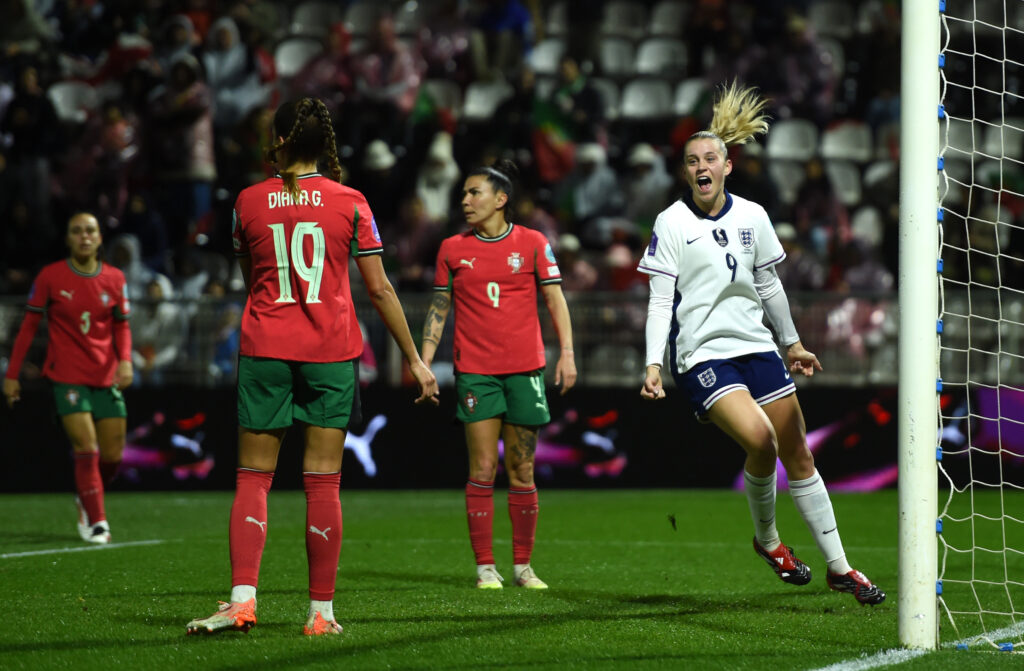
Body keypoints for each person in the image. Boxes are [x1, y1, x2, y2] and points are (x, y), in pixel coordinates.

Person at [185, 97, 438, 637]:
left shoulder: (249, 202)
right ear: (324, 144)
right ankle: (320, 614)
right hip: (331, 353)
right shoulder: (351, 202)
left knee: (253, 479)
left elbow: (251, 273)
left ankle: (242, 601)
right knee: (323, 483)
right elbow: (380, 288)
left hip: (266, 350)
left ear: (277, 142)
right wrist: (415, 360)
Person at [637, 82, 885, 606]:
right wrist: (653, 364)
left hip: (757, 347)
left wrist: (791, 344)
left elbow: (769, 285)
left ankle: (839, 568)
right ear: (685, 173)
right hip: (703, 355)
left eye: (710, 158)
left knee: (797, 451)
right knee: (761, 441)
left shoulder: (752, 216)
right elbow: (661, 301)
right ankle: (769, 541)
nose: (701, 167)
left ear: (728, 165)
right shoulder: (672, 223)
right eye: (691, 161)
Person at [420, 159, 577, 590]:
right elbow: (439, 308)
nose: (465, 200)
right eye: (465, 193)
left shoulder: (532, 243)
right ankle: (485, 566)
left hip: (526, 370)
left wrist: (567, 354)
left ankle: (523, 567)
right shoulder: (452, 249)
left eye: (475, 193)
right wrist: (423, 360)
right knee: (484, 467)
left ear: (500, 199)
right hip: (476, 373)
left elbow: (555, 300)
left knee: (522, 469)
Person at [3, 212, 134, 545]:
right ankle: (98, 519)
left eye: (90, 230)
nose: (84, 236)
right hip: (67, 376)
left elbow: (121, 325)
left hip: (105, 375)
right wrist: (12, 374)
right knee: (86, 447)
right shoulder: (51, 276)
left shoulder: (115, 278)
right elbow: (29, 326)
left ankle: (86, 496)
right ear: (68, 238)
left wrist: (126, 362)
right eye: (76, 231)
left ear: (100, 237)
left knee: (113, 456)